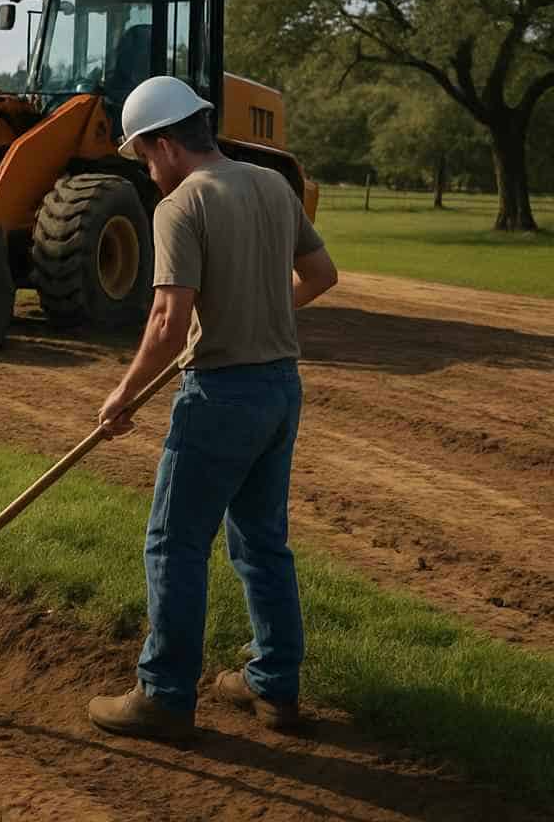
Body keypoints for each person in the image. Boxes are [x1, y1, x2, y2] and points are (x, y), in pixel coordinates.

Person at [86, 76, 338, 740]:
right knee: (263, 543)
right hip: (282, 389)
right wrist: (260, 312)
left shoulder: (182, 205)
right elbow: (321, 276)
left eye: (143, 155)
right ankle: (274, 686)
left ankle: (164, 696)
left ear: (165, 144)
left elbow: (168, 321)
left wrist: (124, 396)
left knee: (174, 545)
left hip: (220, 396)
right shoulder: (271, 185)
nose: (147, 170)